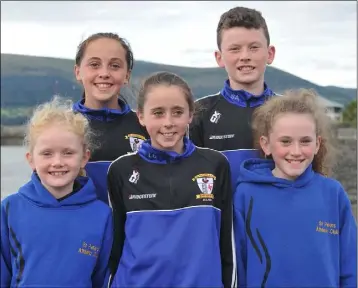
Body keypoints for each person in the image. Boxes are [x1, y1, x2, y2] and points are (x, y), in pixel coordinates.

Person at [107, 72, 236, 287]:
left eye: (177, 112)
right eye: (157, 113)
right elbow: (115, 247)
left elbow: (226, 246)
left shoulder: (215, 164)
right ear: (141, 116)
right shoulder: (121, 170)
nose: (168, 122)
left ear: (190, 115)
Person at [233, 89, 357, 287]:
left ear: (317, 144)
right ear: (266, 145)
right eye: (285, 141)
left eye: (305, 141)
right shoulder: (246, 195)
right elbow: (238, 266)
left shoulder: (333, 194)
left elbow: (350, 267)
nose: (296, 151)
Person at [0, 96, 113, 287]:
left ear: (84, 157)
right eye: (47, 153)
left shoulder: (102, 215)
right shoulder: (10, 209)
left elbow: (102, 278)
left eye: (68, 152)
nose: (58, 162)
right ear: (31, 159)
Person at [189, 7, 277, 189]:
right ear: (219, 58)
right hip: (223, 217)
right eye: (235, 49)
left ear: (270, 54)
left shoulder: (290, 111)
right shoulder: (198, 114)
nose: (245, 56)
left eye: (253, 47)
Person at [72, 32, 148, 204]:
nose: (104, 73)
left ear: (127, 75)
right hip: (84, 229)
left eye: (114, 66)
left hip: (132, 229)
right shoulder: (62, 128)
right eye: (94, 64)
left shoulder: (145, 127)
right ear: (78, 72)